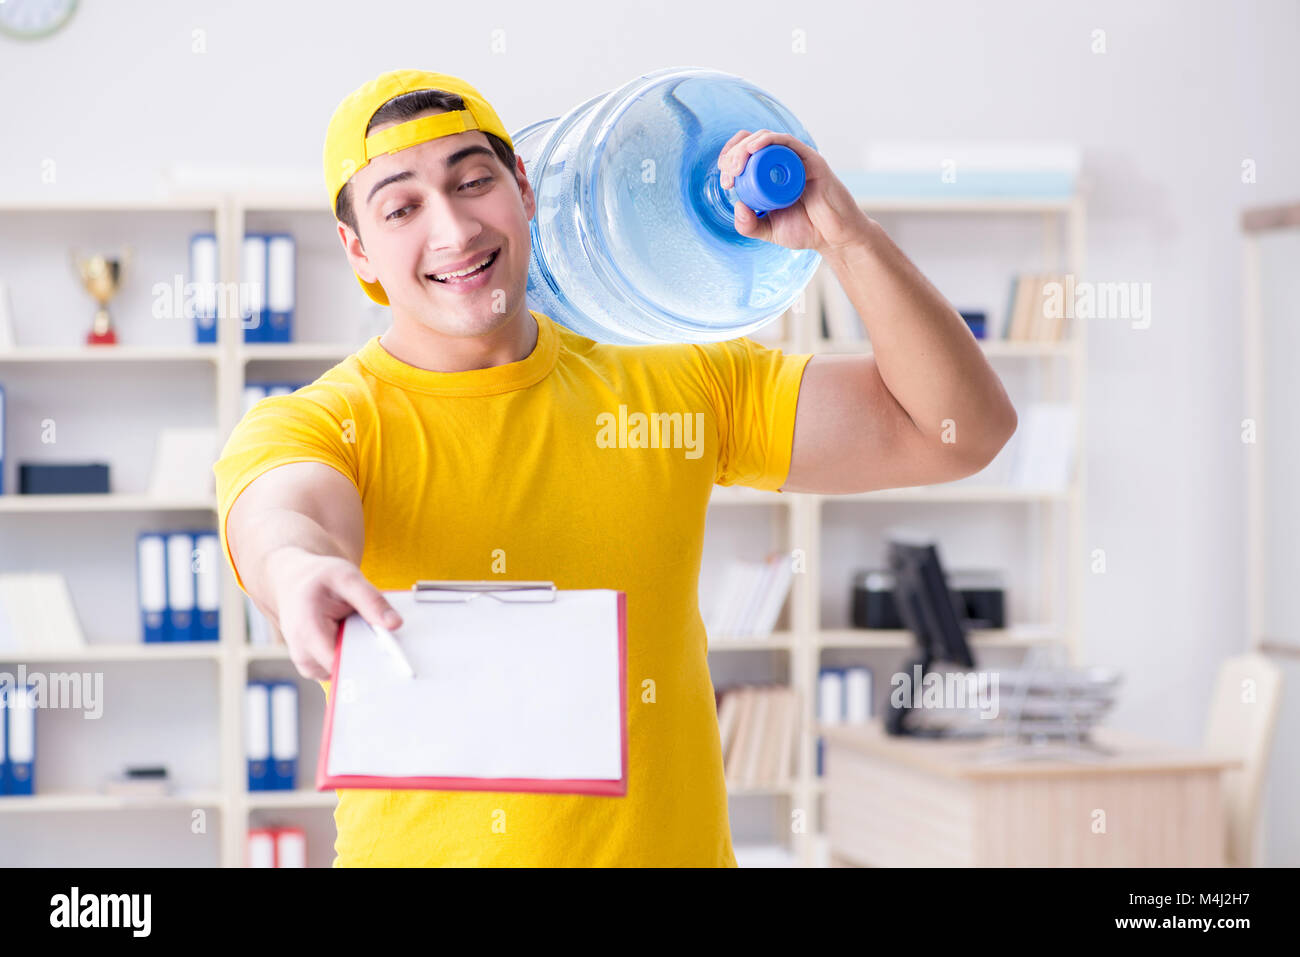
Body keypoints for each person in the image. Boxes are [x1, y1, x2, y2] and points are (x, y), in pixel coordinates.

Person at [213, 69, 1017, 867]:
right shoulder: (324, 422)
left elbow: (958, 432)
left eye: (472, 182)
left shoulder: (675, 378)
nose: (454, 230)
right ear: (357, 248)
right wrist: (298, 571)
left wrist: (849, 238)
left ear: (524, 187)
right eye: (402, 207)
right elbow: (283, 513)